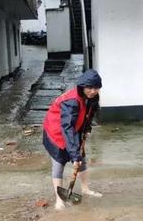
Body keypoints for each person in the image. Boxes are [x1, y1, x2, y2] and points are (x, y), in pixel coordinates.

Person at [43, 69, 102, 210]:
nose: (93, 91)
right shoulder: (72, 101)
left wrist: (86, 129)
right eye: (90, 88)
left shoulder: (92, 97)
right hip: (56, 132)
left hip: (73, 130)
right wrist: (74, 155)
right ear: (82, 86)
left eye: (96, 88)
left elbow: (89, 113)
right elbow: (67, 128)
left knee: (81, 160)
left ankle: (85, 188)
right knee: (59, 164)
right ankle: (59, 200)